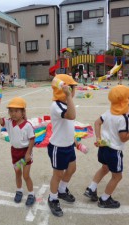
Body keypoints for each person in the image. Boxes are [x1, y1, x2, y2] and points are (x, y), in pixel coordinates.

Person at [84, 85, 129, 208]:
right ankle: (104, 199)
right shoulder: (122, 118)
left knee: (104, 168)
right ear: (125, 100)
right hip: (114, 151)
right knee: (117, 176)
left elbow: (97, 122)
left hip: (104, 147)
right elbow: (123, 138)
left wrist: (98, 138)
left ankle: (91, 189)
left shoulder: (109, 112)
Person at [0, 97, 36, 207]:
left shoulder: (27, 125)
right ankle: (19, 190)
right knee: (17, 172)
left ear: (23, 112)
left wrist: (28, 153)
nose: (13, 114)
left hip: (25, 153)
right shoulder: (8, 123)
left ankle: (31, 194)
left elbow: (32, 139)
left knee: (26, 175)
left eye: (16, 111)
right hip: (15, 152)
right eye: (11, 111)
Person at [47, 74, 78, 217]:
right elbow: (71, 116)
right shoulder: (56, 105)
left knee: (72, 168)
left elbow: (69, 124)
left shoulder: (66, 103)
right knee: (58, 174)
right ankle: (52, 198)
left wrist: (74, 140)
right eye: (72, 88)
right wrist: (69, 96)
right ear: (65, 90)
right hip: (58, 147)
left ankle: (62, 190)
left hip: (69, 144)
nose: (74, 90)